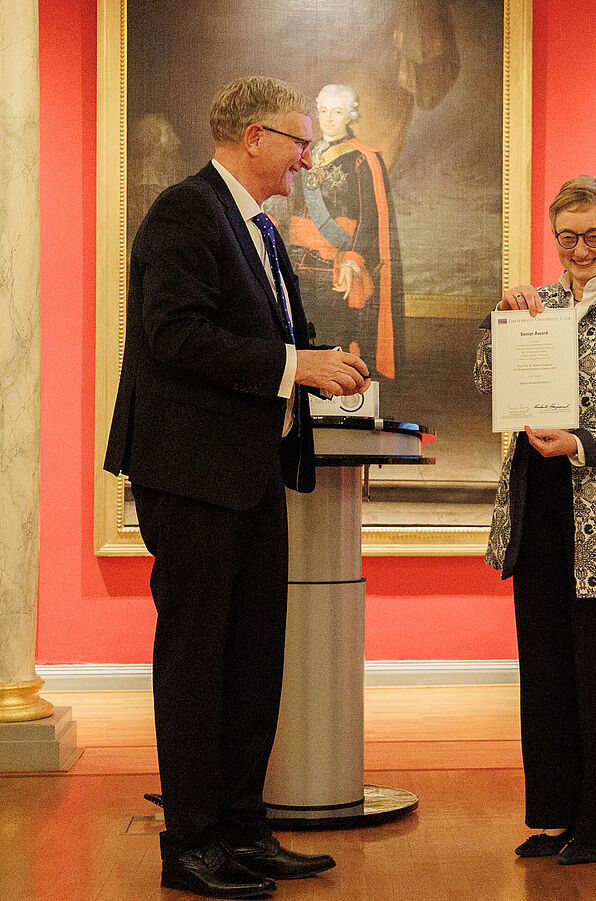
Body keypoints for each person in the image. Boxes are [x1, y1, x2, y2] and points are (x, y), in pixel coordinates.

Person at [104, 76, 371, 899]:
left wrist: (325, 364)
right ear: (252, 137)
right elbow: (175, 335)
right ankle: (190, 847)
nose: (305, 159)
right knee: (199, 662)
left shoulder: (256, 226)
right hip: (193, 477)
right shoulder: (186, 212)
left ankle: (244, 831)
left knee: (253, 661)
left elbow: (266, 335)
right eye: (298, 142)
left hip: (252, 474)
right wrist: (299, 365)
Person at [473, 173, 596, 866]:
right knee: (547, 669)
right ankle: (553, 815)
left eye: (594, 234)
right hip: (540, 502)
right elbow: (486, 382)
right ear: (554, 237)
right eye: (569, 236)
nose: (581, 248)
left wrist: (582, 441)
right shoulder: (537, 303)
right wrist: (500, 326)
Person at [281, 83, 403, 411]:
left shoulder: (364, 158)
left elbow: (371, 216)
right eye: (323, 111)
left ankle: (340, 406)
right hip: (300, 264)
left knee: (338, 334)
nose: (330, 119)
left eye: (338, 112)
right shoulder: (306, 154)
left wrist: (352, 259)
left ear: (350, 115)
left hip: (338, 265)